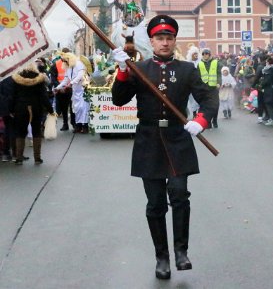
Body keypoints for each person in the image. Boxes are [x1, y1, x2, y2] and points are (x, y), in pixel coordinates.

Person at [111, 14, 216, 280]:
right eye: (160, 38)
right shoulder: (140, 69)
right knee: (155, 203)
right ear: (152, 41)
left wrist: (201, 120)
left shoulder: (187, 70)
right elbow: (120, 100)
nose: (165, 43)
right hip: (148, 140)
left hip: (178, 139)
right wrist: (123, 72)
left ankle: (181, 251)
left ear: (174, 40)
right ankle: (162, 257)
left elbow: (208, 98)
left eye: (169, 38)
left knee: (179, 195)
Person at [9, 63, 55, 165]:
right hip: (36, 107)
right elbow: (44, 96)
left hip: (20, 108)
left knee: (20, 132)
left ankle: (19, 158)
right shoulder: (39, 79)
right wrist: (51, 110)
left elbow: (12, 96)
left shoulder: (16, 78)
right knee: (36, 131)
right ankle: (37, 158)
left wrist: (11, 109)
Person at [54, 53, 90, 134]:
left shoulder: (79, 64)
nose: (64, 62)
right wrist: (58, 87)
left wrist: (71, 83)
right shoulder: (68, 68)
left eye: (65, 60)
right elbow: (66, 79)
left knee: (83, 107)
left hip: (82, 89)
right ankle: (78, 125)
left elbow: (80, 75)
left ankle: (85, 126)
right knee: (76, 108)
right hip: (75, 90)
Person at [50, 48, 74, 131]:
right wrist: (59, 88)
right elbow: (53, 78)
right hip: (61, 90)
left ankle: (73, 123)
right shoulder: (55, 65)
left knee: (72, 107)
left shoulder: (73, 64)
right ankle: (65, 123)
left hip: (71, 89)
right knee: (64, 108)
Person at [197, 48, 222, 128]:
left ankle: (214, 119)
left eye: (206, 54)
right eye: (203, 54)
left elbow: (219, 74)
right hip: (204, 88)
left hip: (214, 87)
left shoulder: (216, 62)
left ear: (209, 54)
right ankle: (207, 121)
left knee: (215, 104)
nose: (205, 55)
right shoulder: (200, 64)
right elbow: (198, 76)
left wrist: (219, 82)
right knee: (206, 105)